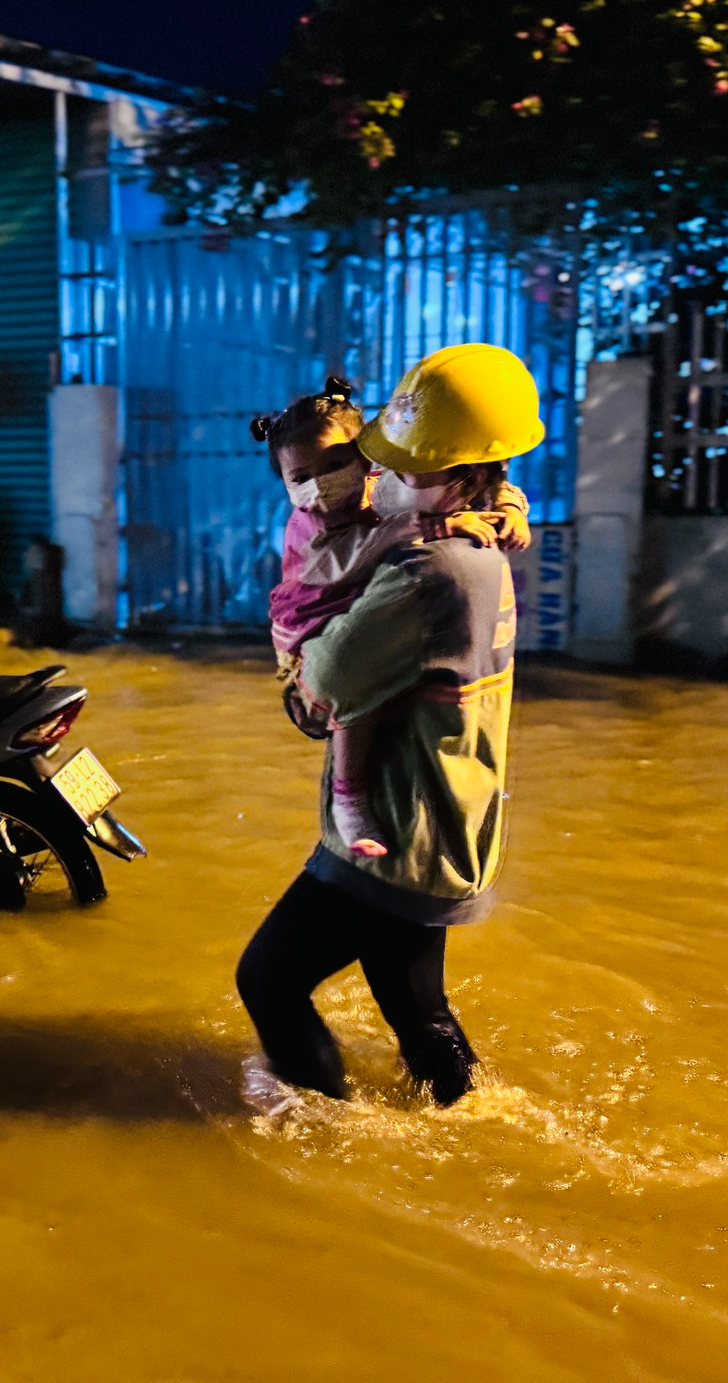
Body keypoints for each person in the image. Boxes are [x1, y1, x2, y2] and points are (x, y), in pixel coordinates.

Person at [236, 343, 546, 1108]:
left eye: (407, 468)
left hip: (396, 826)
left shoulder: (433, 566)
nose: (393, 481)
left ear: (467, 474)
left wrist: (305, 684)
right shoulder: (476, 547)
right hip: (444, 808)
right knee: (413, 1005)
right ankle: (466, 1123)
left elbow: (327, 689)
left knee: (268, 979)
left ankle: (322, 1139)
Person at [254, 379, 530, 858]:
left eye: (336, 463)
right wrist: (435, 525)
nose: (320, 483)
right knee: (356, 702)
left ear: (368, 457)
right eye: (300, 477)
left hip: (425, 803)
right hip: (310, 624)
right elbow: (351, 562)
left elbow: (485, 484)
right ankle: (350, 796)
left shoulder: (391, 491)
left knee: (362, 687)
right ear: (283, 481)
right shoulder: (310, 525)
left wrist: (510, 508)